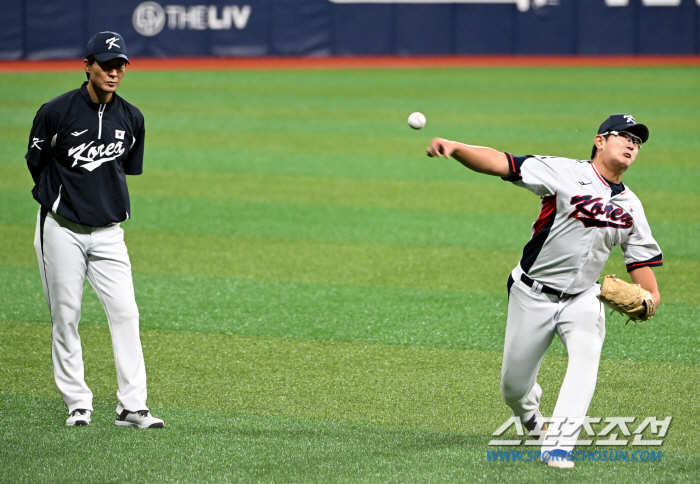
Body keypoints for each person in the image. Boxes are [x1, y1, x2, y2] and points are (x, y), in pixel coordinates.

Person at [426, 114, 661, 468]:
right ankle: (531, 415)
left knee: (586, 356)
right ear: (600, 141)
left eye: (637, 141)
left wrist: (650, 300)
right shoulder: (563, 172)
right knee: (513, 388)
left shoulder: (632, 207)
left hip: (584, 298)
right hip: (531, 294)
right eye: (623, 136)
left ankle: (559, 445)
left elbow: (641, 266)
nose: (631, 144)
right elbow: (502, 163)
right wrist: (457, 148)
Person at [26, 31, 163, 428]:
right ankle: (77, 402)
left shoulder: (131, 117)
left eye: (120, 65)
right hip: (60, 228)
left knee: (126, 313)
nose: (114, 72)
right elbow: (36, 162)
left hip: (109, 232)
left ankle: (131, 406)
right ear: (88, 66)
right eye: (106, 64)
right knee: (66, 316)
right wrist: (58, 199)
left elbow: (123, 170)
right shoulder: (56, 111)